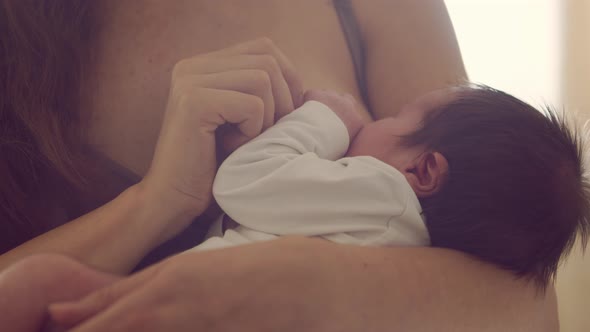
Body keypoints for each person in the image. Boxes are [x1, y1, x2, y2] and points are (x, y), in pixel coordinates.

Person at [0, 1, 561, 331]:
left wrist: (303, 283)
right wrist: (155, 203)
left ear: (425, 171)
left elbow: (526, 300)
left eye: (397, 120)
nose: (374, 125)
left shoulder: (384, 188)